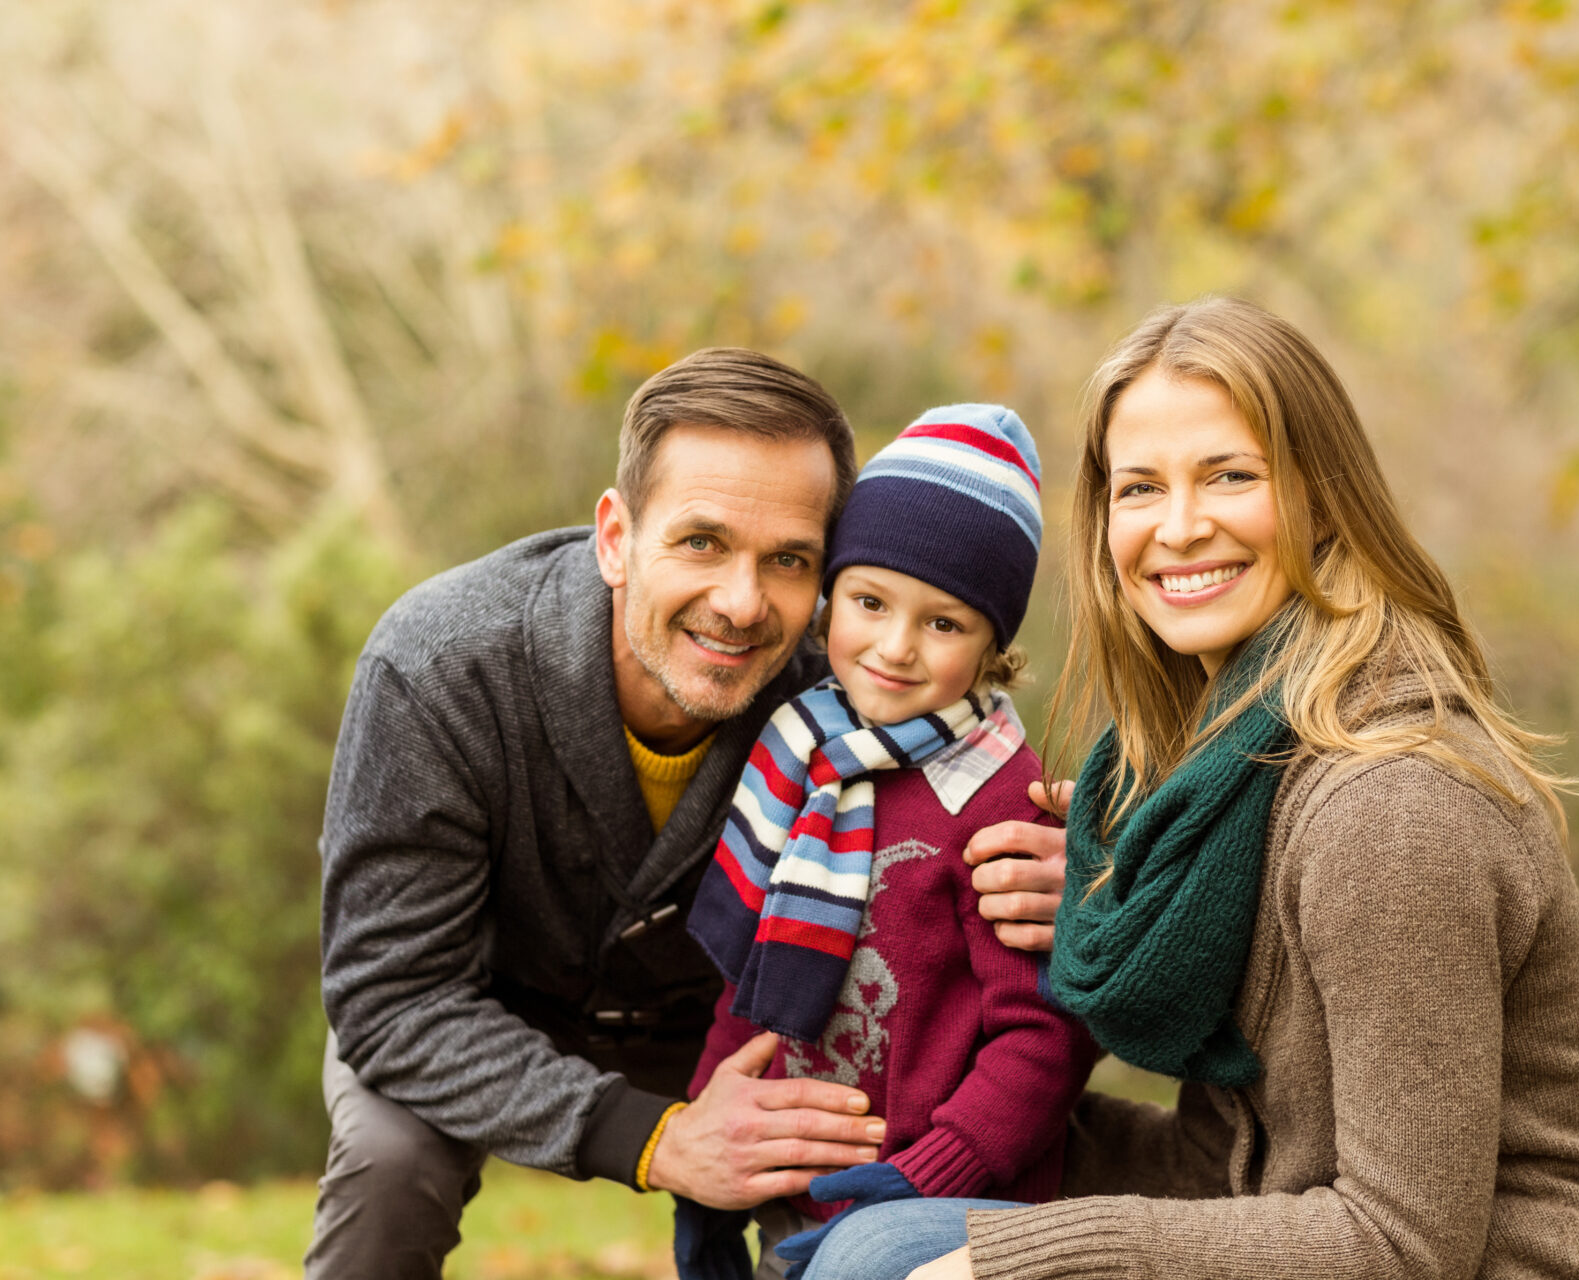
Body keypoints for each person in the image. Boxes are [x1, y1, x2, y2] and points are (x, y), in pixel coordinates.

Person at [801, 298, 1579, 1280]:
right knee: (867, 1238)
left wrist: (1023, 1256)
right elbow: (1243, 1160)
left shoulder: (1389, 808)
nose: (1178, 527)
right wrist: (919, 1120)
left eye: (1229, 476)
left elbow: (1403, 1242)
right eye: (1139, 488)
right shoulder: (1220, 779)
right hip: (1318, 1229)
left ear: (1322, 494)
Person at [304, 351, 1069, 1280]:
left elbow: (975, 760)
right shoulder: (439, 670)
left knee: (882, 1127)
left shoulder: (857, 688)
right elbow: (393, 1001)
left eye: (788, 561)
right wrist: (661, 1139)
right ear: (617, 536)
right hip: (473, 1013)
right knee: (392, 1157)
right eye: (701, 542)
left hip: (738, 1021)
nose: (742, 604)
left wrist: (1075, 869)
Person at [670, 405, 1100, 1280]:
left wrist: (927, 1174)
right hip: (800, 1186)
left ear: (992, 646)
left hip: (940, 1210)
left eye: (944, 624)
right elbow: (752, 983)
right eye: (870, 602)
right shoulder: (804, 753)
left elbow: (1045, 1037)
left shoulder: (1000, 805)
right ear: (833, 599)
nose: (896, 647)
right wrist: (699, 1128)